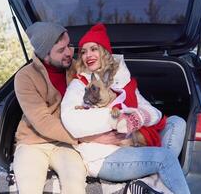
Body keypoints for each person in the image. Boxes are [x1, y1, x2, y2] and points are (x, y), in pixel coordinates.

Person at [61, 23, 190, 194]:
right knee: (165, 158)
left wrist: (138, 117)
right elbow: (70, 119)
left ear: (104, 51)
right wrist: (114, 119)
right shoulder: (81, 84)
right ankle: (158, 178)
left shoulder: (123, 81)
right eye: (83, 51)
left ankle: (153, 182)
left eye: (93, 49)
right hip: (103, 156)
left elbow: (154, 112)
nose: (87, 55)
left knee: (176, 122)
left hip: (132, 145)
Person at [13, 22, 89, 194]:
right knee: (29, 188)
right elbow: (42, 121)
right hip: (32, 143)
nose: (69, 52)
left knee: (75, 184)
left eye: (69, 45)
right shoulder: (25, 77)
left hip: (65, 144)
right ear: (45, 55)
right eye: (61, 50)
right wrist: (83, 137)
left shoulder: (77, 68)